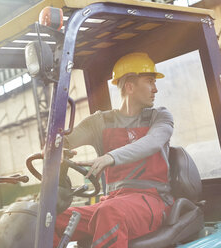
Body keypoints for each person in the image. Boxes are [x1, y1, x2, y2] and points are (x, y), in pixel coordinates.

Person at [54, 52, 174, 248]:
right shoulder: (100, 122)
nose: (155, 89)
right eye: (150, 81)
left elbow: (152, 142)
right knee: (48, 219)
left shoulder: (159, 117)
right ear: (130, 86)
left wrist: (110, 157)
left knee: (110, 212)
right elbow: (65, 141)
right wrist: (53, 148)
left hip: (153, 200)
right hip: (113, 200)